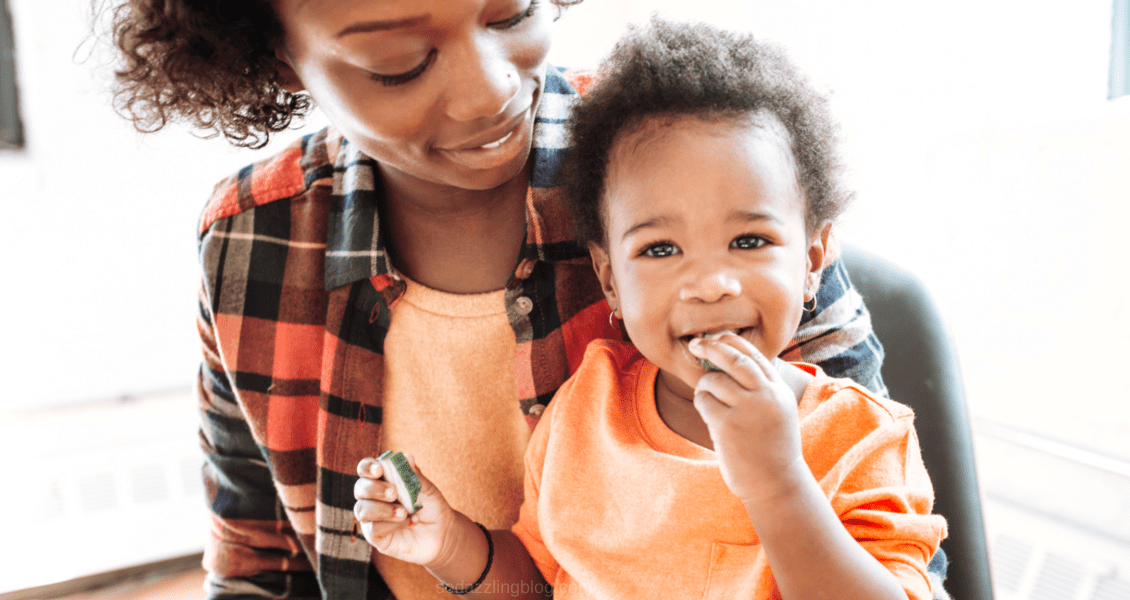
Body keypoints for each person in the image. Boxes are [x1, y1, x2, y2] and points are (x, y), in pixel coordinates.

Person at [102, 0, 945, 598]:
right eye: (398, 62)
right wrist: (448, 542)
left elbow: (883, 542)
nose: (488, 93)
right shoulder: (251, 239)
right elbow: (260, 564)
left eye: (510, 14)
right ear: (280, 55)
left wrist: (776, 483)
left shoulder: (689, 158)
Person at [352, 18, 947, 600]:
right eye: (661, 249)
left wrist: (778, 483)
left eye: (749, 241)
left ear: (814, 256)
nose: (709, 285)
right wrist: (450, 543)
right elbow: (534, 587)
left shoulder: (861, 438)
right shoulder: (583, 413)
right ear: (610, 280)